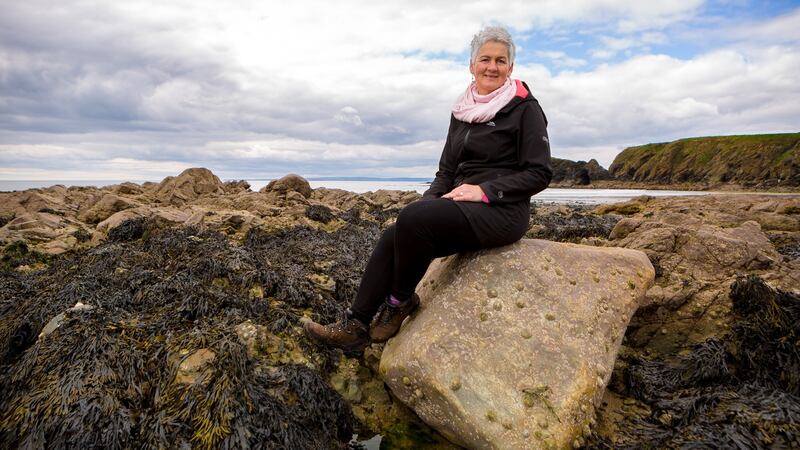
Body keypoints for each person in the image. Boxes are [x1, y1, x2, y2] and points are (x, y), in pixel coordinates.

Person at [303, 26, 552, 353]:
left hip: (502, 212)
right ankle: (355, 326)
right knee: (396, 232)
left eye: (501, 61)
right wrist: (423, 208)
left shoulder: (525, 108)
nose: (492, 67)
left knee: (412, 221)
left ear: (511, 68)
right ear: (471, 65)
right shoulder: (462, 110)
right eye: (485, 59)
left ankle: (398, 302)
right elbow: (447, 172)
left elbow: (539, 173)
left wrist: (484, 191)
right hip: (462, 205)